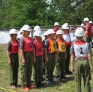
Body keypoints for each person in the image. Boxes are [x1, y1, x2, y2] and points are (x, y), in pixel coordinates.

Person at [70, 27, 92, 92]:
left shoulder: (73, 44)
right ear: (83, 35)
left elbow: (72, 55)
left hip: (77, 61)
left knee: (78, 80)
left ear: (76, 36)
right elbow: (89, 55)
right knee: (86, 79)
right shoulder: (87, 44)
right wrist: (90, 64)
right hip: (85, 61)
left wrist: (72, 65)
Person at [20, 25, 35, 91]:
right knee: (24, 70)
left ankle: (29, 84)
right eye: (27, 31)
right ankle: (24, 85)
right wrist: (23, 58)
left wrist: (34, 57)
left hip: (30, 54)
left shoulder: (31, 38)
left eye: (29, 31)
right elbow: (21, 49)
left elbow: (33, 48)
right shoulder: (22, 39)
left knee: (29, 69)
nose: (28, 32)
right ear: (24, 31)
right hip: (25, 54)